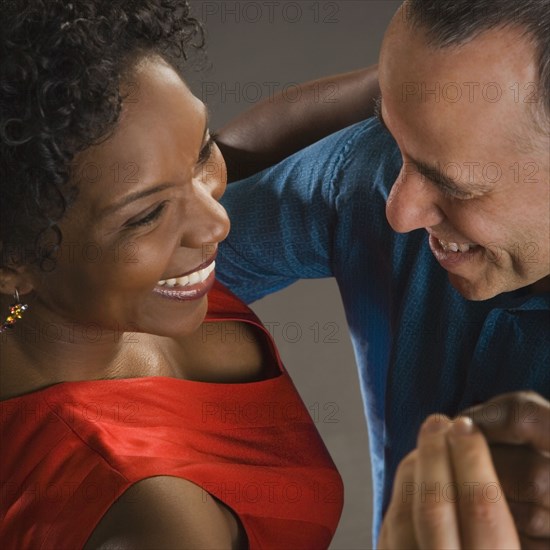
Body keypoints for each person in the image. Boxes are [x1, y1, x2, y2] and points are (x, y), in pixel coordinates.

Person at [0, 2, 348, 548]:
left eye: (200, 152)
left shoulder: (86, 290)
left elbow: (256, 144)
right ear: (11, 262)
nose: (217, 221)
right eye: (146, 215)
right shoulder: (152, 517)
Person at [214, 0, 550, 547]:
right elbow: (95, 277)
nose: (400, 212)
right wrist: (16, 312)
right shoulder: (376, 177)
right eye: (391, 131)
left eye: (456, 187)